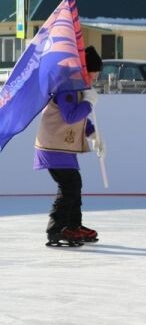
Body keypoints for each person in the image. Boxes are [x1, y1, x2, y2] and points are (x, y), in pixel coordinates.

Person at [36, 46, 103, 248]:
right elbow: (70, 116)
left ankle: (73, 225)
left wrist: (93, 134)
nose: (96, 76)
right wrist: (89, 103)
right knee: (69, 186)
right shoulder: (67, 88)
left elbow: (78, 120)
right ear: (85, 69)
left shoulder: (76, 87)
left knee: (74, 184)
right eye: (95, 72)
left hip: (62, 146)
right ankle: (56, 229)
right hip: (52, 146)